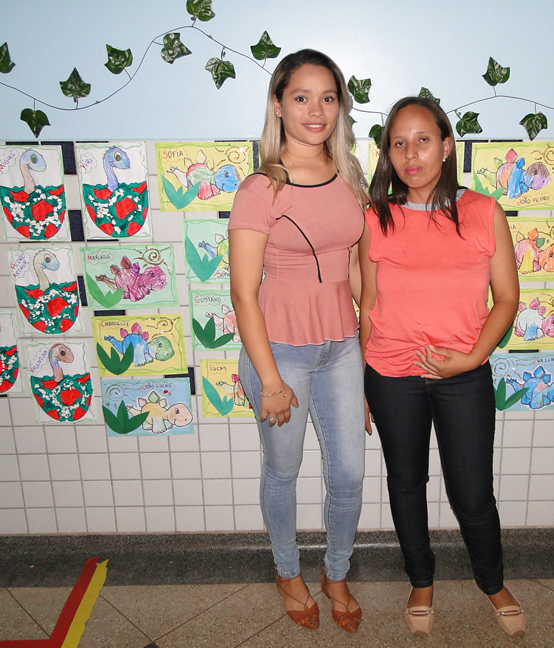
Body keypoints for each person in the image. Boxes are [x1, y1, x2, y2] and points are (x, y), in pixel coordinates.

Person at [359, 97, 526, 638]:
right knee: (406, 483)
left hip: (464, 374)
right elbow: (368, 303)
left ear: (447, 146)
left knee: (472, 494)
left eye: (423, 140)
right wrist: (364, 384)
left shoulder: (483, 211)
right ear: (388, 153)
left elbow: (507, 299)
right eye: (399, 143)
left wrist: (472, 358)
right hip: (391, 374)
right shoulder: (376, 217)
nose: (411, 155)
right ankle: (421, 582)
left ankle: (493, 583)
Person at [228, 49, 369, 633]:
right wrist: (269, 380)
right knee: (283, 470)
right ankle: (288, 571)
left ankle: (336, 573)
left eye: (328, 98)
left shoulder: (351, 176)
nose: (316, 111)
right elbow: (243, 293)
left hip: (342, 349)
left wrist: (372, 359)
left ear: (340, 107)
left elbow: (355, 272)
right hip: (279, 353)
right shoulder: (262, 187)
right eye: (302, 97)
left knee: (350, 474)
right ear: (279, 105)